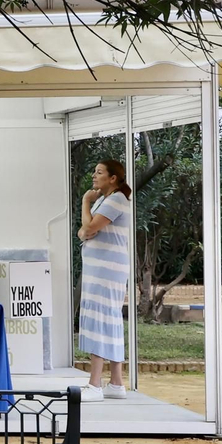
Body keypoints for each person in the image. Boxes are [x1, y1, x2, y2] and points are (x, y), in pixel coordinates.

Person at [77, 159, 134, 402]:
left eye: (99, 172)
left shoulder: (115, 200)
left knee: (100, 320)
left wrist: (85, 202)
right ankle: (116, 383)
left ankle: (95, 384)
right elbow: (86, 230)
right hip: (102, 270)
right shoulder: (107, 199)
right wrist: (86, 229)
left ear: (113, 178)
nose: (94, 175)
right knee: (109, 320)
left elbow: (89, 229)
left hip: (106, 271)